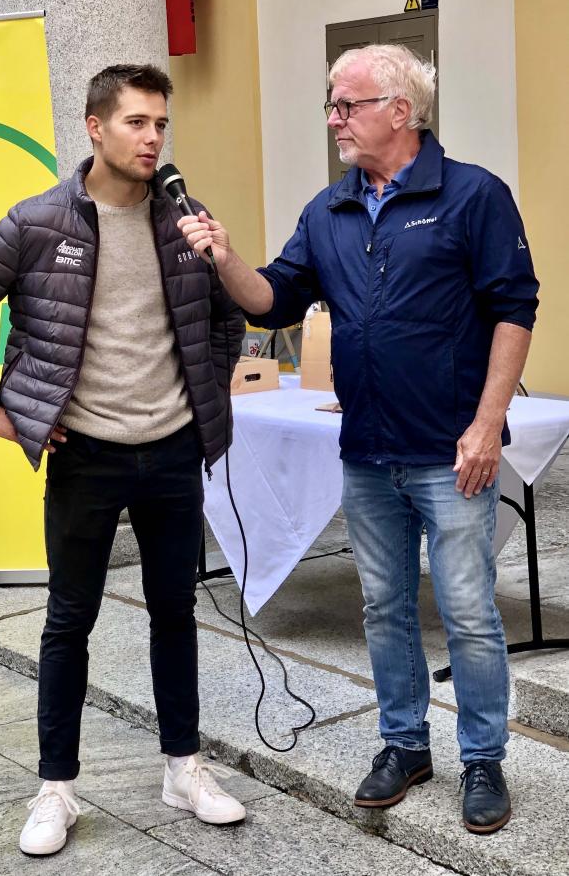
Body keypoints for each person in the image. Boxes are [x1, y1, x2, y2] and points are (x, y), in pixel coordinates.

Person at [177, 44, 539, 835]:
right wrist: (224, 256)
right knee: (382, 607)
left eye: (348, 104)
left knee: (470, 612)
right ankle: (403, 744)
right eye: (331, 105)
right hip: (366, 449)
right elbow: (272, 302)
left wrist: (485, 426)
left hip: (452, 452)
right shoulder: (327, 210)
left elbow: (515, 309)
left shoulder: (472, 195)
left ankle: (482, 759)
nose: (334, 118)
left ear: (399, 112)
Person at [0, 63, 247, 856]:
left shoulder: (185, 217)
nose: (153, 138)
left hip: (171, 450)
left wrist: (200, 391)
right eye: (137, 122)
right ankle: (56, 791)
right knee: (70, 621)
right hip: (86, 456)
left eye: (161, 124)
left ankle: (183, 768)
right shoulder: (38, 223)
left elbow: (225, 318)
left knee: (177, 613)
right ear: (95, 127)